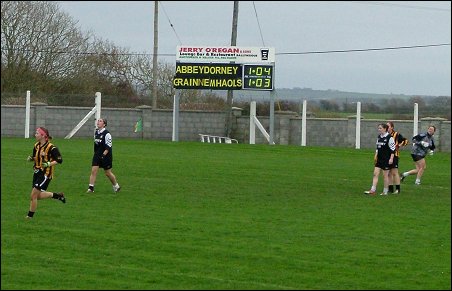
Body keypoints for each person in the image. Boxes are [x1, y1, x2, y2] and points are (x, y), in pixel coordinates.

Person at [26, 127, 66, 219]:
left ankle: (29, 216)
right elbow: (36, 158)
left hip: (45, 174)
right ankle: (58, 196)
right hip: (37, 172)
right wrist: (32, 159)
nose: (35, 135)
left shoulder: (52, 148)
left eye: (37, 133)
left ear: (43, 136)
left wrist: (48, 164)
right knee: (37, 196)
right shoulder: (36, 145)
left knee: (33, 196)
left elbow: (59, 160)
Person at [87, 118, 121, 193]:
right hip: (97, 155)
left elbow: (108, 146)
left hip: (106, 156)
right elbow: (96, 145)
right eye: (98, 121)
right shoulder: (96, 132)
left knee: (107, 173)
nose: (98, 122)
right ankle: (91, 188)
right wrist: (96, 154)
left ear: (104, 124)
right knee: (93, 171)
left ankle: (116, 186)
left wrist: (103, 155)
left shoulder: (107, 134)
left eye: (100, 121)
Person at [364, 123, 396, 196]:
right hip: (379, 159)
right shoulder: (379, 137)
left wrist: (391, 158)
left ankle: (385, 191)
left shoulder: (389, 137)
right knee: (375, 174)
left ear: (385, 129)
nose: (379, 130)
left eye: (380, 128)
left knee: (385, 176)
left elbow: (393, 149)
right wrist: (376, 155)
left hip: (386, 159)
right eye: (378, 128)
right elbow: (377, 148)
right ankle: (373, 190)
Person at [386, 121, 408, 194]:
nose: (386, 127)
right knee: (389, 173)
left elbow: (406, 141)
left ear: (392, 127)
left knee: (394, 172)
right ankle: (390, 189)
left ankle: (398, 189)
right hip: (386, 156)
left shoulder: (396, 134)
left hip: (394, 155)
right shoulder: (385, 135)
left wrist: (399, 145)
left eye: (388, 126)